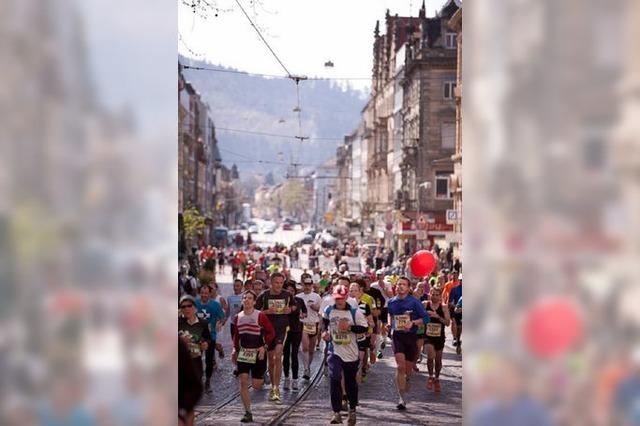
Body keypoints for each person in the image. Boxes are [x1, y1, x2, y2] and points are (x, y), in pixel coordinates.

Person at [322, 284, 369, 425]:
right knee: (335, 378)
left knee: (350, 383)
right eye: (336, 298)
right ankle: (336, 412)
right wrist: (324, 332)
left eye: (341, 298)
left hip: (351, 352)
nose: (339, 301)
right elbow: (324, 323)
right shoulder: (329, 310)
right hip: (334, 351)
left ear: (346, 297)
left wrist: (349, 327)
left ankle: (352, 409)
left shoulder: (355, 312)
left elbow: (364, 328)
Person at [386, 276, 430, 411]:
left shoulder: (415, 302)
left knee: (408, 369)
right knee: (400, 366)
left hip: (412, 337)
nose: (400, 287)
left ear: (409, 288)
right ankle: (401, 398)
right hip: (398, 336)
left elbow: (426, 318)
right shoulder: (391, 302)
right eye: (398, 284)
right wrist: (389, 324)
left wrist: (413, 323)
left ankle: (408, 378)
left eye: (403, 285)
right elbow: (390, 315)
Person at [232, 291, 276, 423]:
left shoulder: (260, 315)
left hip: (258, 352)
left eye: (250, 298)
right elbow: (236, 335)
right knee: (243, 380)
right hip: (244, 353)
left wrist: (265, 347)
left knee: (257, 385)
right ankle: (248, 412)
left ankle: (263, 376)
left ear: (254, 302)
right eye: (245, 298)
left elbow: (271, 332)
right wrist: (234, 349)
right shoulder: (237, 317)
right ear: (242, 301)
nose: (247, 300)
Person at [255, 272, 295, 402]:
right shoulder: (264, 295)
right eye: (276, 282)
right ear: (271, 283)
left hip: (282, 329)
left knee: (278, 356)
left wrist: (290, 310)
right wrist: (266, 312)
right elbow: (255, 312)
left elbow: (294, 306)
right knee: (271, 360)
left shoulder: (287, 294)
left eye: (281, 283)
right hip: (268, 330)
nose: (279, 285)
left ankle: (277, 388)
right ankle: (273, 386)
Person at [194, 285, 226, 392]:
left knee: (208, 360)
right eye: (202, 293)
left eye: (206, 293)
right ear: (200, 293)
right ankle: (197, 381)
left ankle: (207, 381)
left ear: (210, 294)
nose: (204, 295)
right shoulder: (195, 303)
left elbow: (222, 316)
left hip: (210, 336)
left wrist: (219, 323)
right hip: (196, 336)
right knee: (196, 359)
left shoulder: (215, 305)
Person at [179, 295, 212, 391]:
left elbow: (208, 339)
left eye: (189, 306)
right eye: (183, 307)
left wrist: (206, 344)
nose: (186, 309)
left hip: (195, 361)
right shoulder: (178, 323)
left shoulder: (203, 323)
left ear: (195, 308)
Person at [423, 286, 450, 392]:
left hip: (439, 337)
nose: (434, 297)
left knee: (438, 360)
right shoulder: (425, 304)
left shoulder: (443, 307)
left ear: (440, 296)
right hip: (428, 336)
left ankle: (437, 378)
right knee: (430, 355)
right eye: (433, 294)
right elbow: (417, 315)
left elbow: (447, 323)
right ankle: (430, 376)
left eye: (437, 295)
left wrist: (437, 316)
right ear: (430, 294)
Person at [282, 280, 307, 390]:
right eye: (288, 290)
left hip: (296, 330)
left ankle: (295, 379)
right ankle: (287, 378)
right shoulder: (281, 301)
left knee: (294, 354)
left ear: (295, 292)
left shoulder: (299, 300)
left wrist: (303, 314)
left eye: (292, 291)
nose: (290, 292)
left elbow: (305, 311)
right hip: (284, 331)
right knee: (286, 355)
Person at [349, 282, 375, 383]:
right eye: (351, 291)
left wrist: (368, 327)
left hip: (361, 336)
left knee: (359, 358)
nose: (353, 293)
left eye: (355, 291)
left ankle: (359, 375)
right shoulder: (344, 306)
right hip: (349, 337)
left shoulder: (364, 305)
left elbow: (371, 322)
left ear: (360, 292)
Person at [298, 275, 322, 380]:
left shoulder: (317, 297)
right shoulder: (298, 296)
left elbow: (321, 311)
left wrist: (315, 308)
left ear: (312, 285)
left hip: (314, 324)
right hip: (303, 323)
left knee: (311, 350)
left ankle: (308, 366)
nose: (307, 287)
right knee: (305, 347)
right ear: (302, 285)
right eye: (305, 284)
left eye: (309, 284)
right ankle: (306, 369)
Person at [448, 273, 463, 354]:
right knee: (454, 323)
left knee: (460, 328)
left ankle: (458, 341)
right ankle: (454, 338)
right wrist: (457, 307)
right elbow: (450, 302)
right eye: (461, 280)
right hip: (455, 309)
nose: (462, 282)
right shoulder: (454, 289)